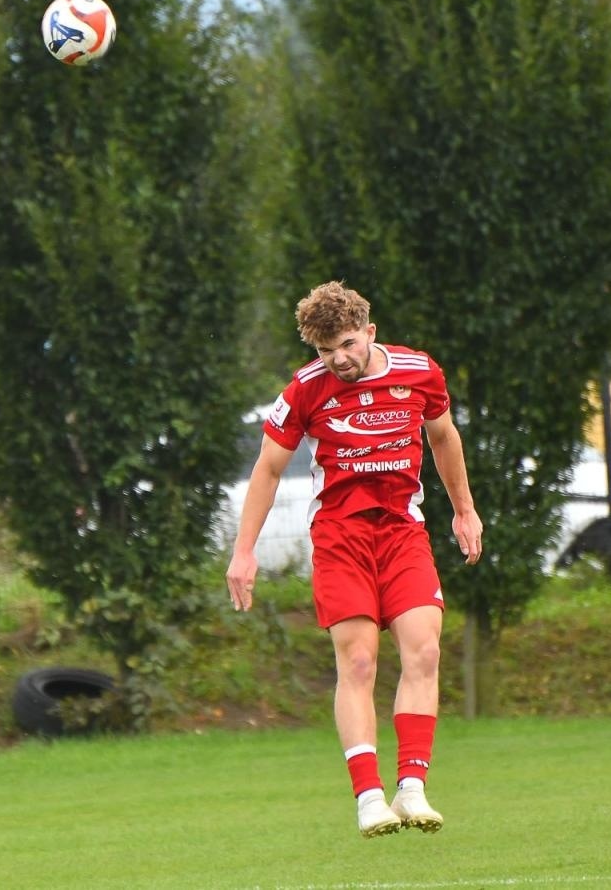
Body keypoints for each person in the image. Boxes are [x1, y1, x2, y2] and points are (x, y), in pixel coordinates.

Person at [225, 282, 483, 839]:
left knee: (425, 647)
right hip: (340, 536)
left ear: (368, 332)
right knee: (359, 661)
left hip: (402, 530)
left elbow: (444, 438)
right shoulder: (304, 391)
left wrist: (464, 511)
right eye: (324, 351)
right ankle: (369, 797)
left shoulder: (419, 371)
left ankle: (411, 788)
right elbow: (268, 469)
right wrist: (244, 551)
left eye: (345, 344)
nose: (338, 359)